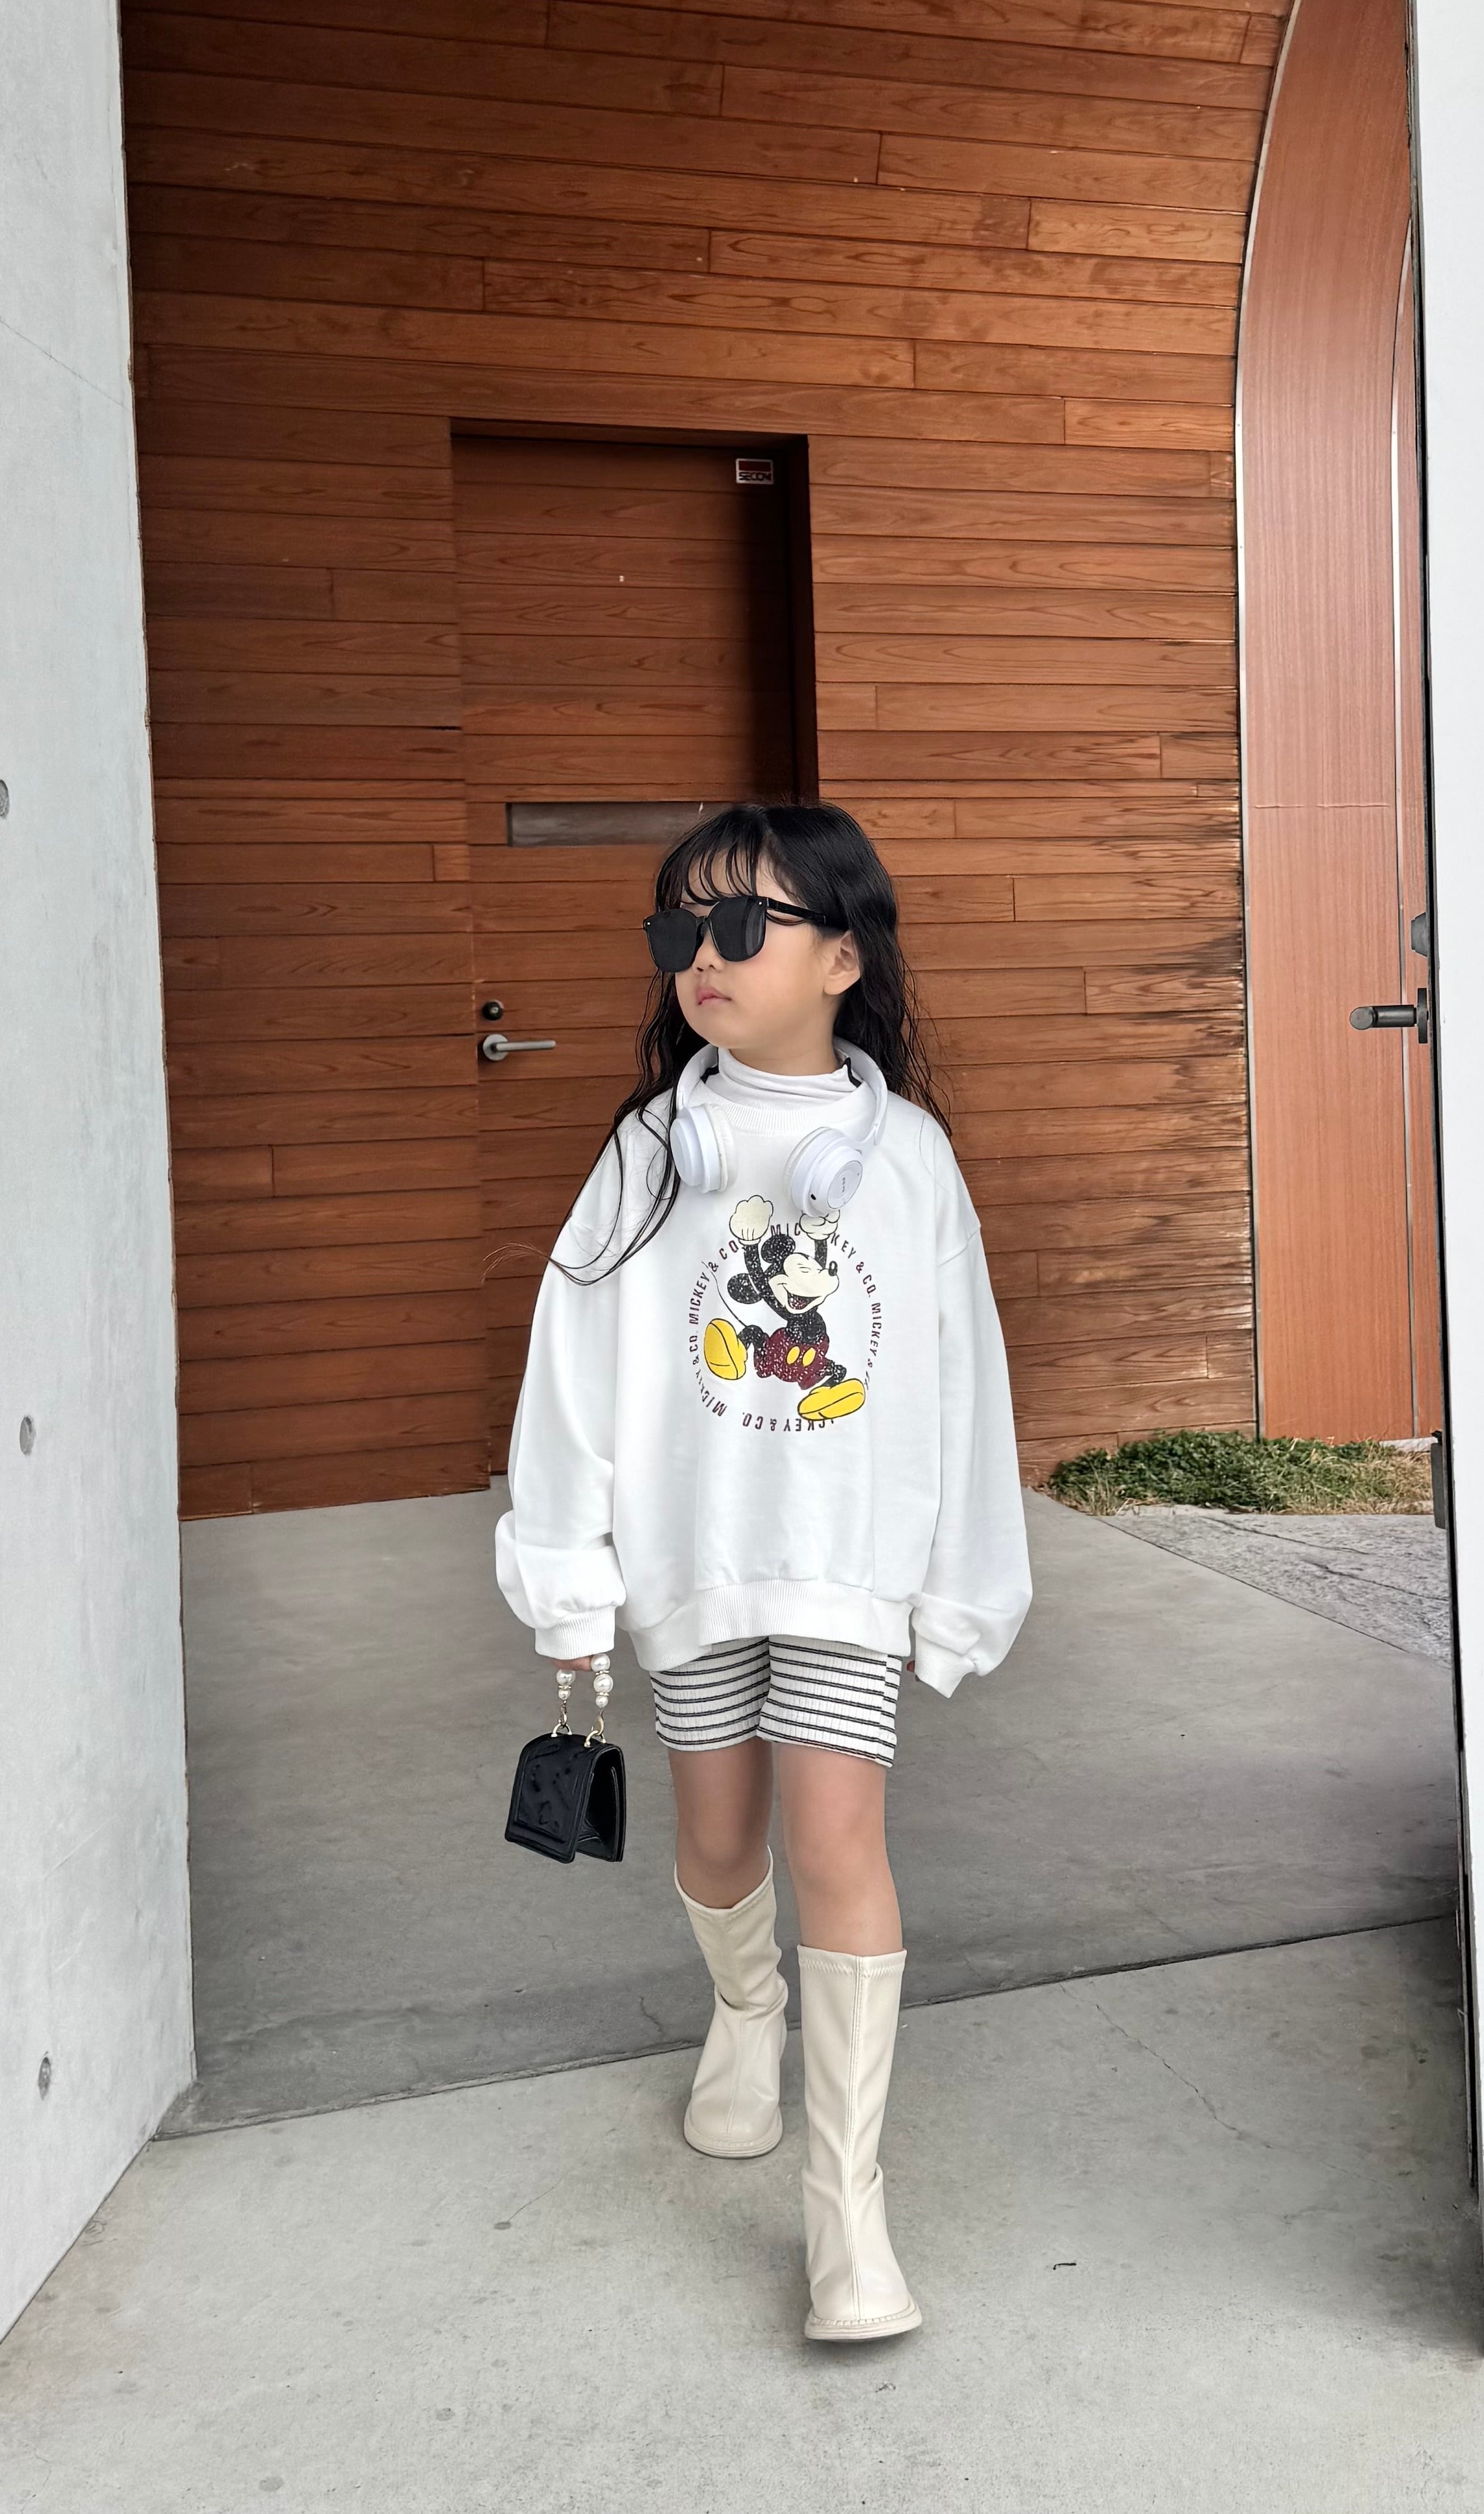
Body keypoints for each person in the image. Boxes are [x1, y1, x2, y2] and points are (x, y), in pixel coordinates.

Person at [495, 802, 1031, 2342]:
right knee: (719, 1836)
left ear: (843, 958)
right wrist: (569, 1578)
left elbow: (963, 1379)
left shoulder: (907, 1159)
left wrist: (961, 1585)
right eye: (681, 928)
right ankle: (745, 2009)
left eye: (741, 925)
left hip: (847, 1567)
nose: (703, 956)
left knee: (836, 1837)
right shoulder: (649, 1154)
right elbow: (570, 1376)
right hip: (695, 1557)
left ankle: (844, 2212)